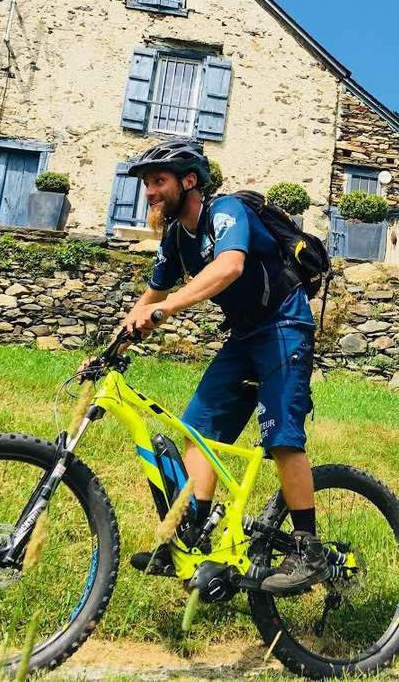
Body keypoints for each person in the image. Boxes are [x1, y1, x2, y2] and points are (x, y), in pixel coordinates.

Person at [110, 139, 323, 593]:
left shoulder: (225, 212)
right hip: (245, 335)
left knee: (282, 436)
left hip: (285, 325)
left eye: (158, 181)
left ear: (189, 181)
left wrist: (165, 313)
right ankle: (191, 536)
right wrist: (111, 348)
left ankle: (308, 548)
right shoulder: (175, 239)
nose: (150, 191)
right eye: (147, 183)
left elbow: (228, 267)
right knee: (199, 432)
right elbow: (150, 297)